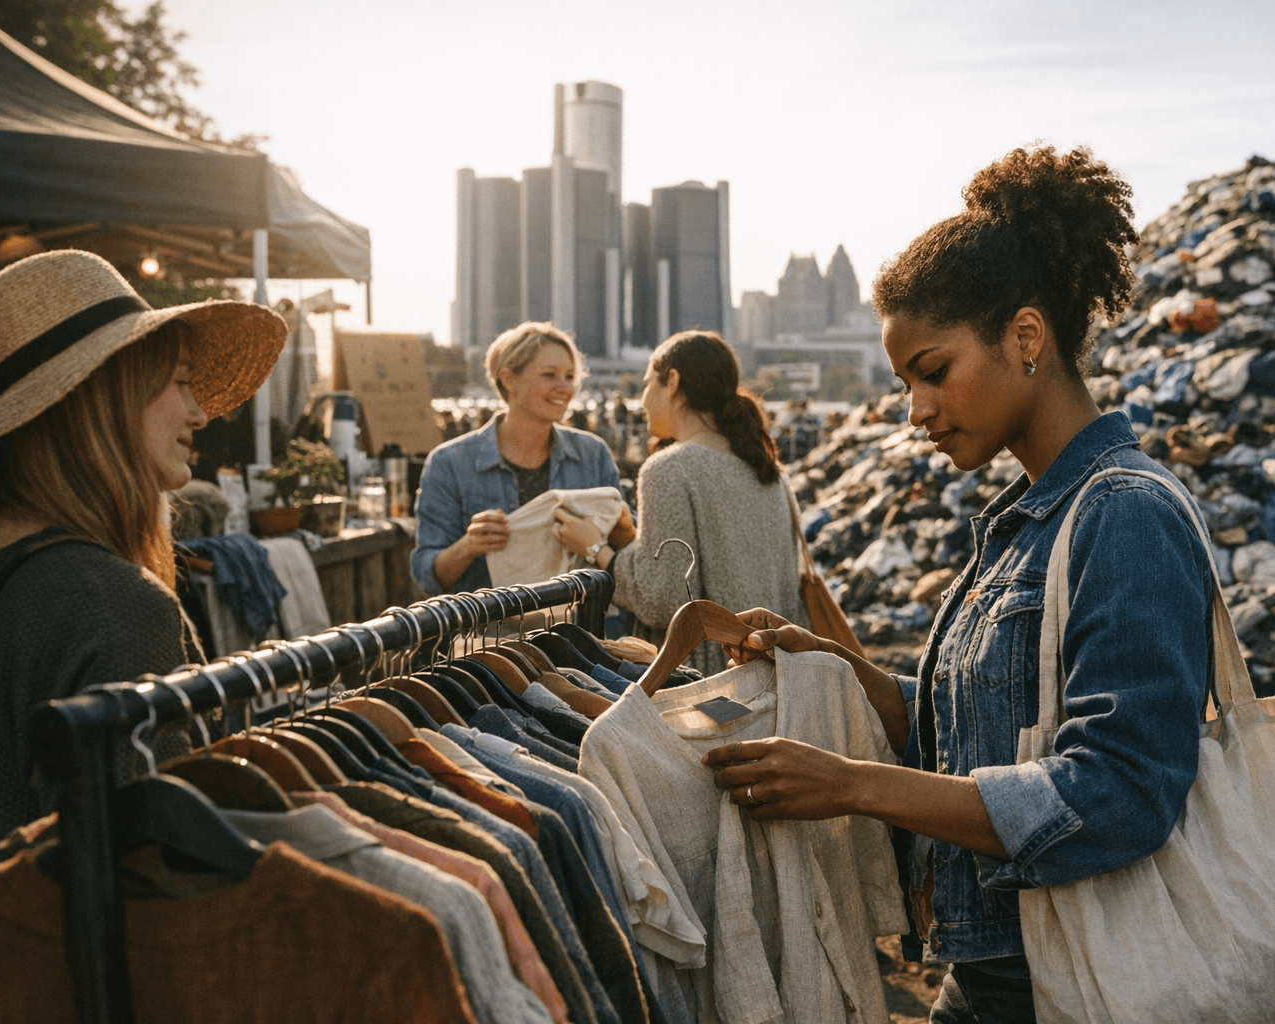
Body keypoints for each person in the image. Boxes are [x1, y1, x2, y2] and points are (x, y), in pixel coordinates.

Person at [701, 146, 1215, 1023]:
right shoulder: (1023, 523)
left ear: (1025, 337)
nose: (916, 412)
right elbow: (972, 734)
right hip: (988, 970)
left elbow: (1122, 792)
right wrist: (840, 670)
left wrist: (854, 784)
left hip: (1078, 981)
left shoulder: (1123, 515)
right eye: (905, 384)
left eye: (932, 372)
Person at [0, 250, 285, 870]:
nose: (200, 412)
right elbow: (159, 888)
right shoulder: (108, 604)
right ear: (106, 397)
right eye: (177, 381)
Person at [555, 330, 808, 676]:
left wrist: (595, 548)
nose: (642, 401)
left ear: (672, 380)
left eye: (646, 385)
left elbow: (661, 602)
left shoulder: (669, 469)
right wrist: (633, 542)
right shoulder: (768, 469)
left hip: (705, 682)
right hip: (776, 675)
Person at [410, 322, 630, 595]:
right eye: (549, 375)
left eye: (570, 376)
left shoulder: (593, 454)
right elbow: (428, 576)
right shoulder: (449, 463)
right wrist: (468, 546)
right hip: (490, 633)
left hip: (578, 633)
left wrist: (611, 534)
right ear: (508, 380)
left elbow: (628, 551)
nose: (565, 387)